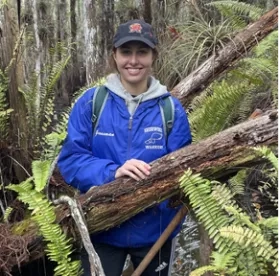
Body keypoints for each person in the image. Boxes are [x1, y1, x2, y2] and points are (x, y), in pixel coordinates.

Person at [58, 19, 192, 276]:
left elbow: (184, 173)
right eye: (126, 52)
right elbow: (71, 161)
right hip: (102, 232)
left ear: (153, 55)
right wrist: (113, 171)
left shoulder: (170, 110)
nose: (134, 60)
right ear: (114, 55)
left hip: (156, 233)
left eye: (142, 52)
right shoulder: (91, 104)